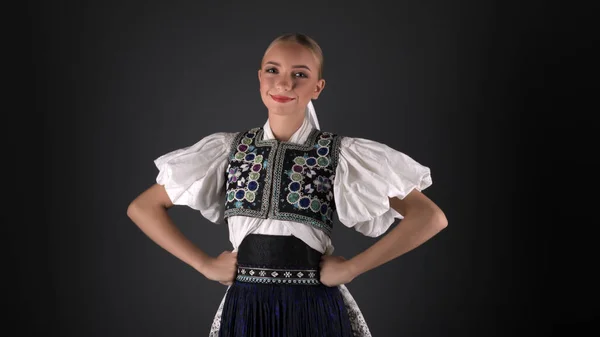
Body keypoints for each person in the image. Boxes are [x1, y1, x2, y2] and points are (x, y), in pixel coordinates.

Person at [127, 32, 448, 337]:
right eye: (273, 70)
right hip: (246, 308)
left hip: (313, 307)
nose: (283, 82)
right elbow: (143, 207)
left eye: (300, 74)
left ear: (317, 88)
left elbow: (429, 216)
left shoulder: (340, 153)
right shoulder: (227, 148)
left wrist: (352, 268)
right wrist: (204, 264)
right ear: (259, 78)